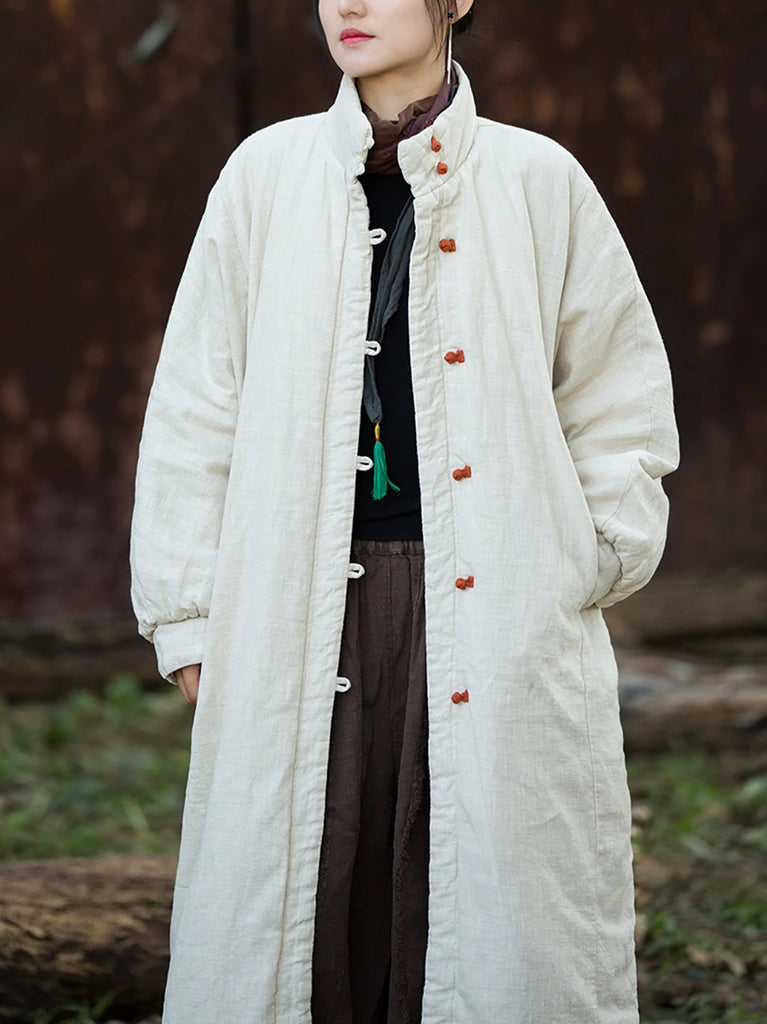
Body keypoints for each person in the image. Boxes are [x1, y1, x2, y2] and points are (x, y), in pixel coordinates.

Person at [130, 0, 679, 1021]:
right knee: (302, 902)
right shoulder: (264, 176)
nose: (347, 4)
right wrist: (189, 612)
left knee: (484, 900)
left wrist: (590, 557)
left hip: (494, 596)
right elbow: (196, 404)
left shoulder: (537, 179)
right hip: (295, 602)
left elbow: (617, 399)